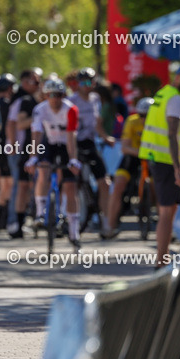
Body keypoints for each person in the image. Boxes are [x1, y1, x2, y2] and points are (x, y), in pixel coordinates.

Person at [139, 63, 180, 266]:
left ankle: (162, 257)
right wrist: (179, 168)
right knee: (167, 212)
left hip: (157, 158)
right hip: (167, 161)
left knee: (166, 210)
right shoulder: (175, 99)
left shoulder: (163, 93)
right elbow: (172, 134)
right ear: (179, 78)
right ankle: (162, 260)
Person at [24, 78, 83, 250]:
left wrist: (73, 159)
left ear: (63, 95)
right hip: (48, 143)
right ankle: (40, 214)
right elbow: (35, 134)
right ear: (45, 96)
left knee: (70, 187)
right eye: (50, 95)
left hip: (66, 145)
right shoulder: (39, 110)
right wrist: (32, 157)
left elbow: (71, 136)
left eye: (58, 95)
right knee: (43, 172)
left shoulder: (70, 109)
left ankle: (74, 232)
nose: (54, 99)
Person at [71, 67, 115, 235]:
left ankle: (105, 223)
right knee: (71, 183)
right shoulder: (71, 100)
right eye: (82, 82)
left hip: (89, 143)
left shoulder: (96, 99)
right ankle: (71, 219)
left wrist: (105, 137)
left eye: (89, 82)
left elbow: (97, 124)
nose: (86, 86)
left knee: (104, 183)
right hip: (74, 143)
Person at [102, 97, 154, 239]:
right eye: (142, 116)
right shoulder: (132, 121)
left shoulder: (159, 124)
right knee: (118, 185)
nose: (144, 119)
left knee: (161, 187)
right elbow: (125, 147)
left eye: (148, 116)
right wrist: (141, 153)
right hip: (133, 156)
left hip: (153, 157)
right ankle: (110, 226)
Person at [6, 68, 43, 238]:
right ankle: (14, 222)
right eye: (35, 82)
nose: (38, 85)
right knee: (19, 186)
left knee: (33, 186)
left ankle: (38, 219)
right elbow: (14, 124)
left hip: (34, 148)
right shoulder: (22, 100)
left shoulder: (35, 101)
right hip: (21, 148)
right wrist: (13, 145)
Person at [0, 75, 16, 232]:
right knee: (8, 182)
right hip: (5, 145)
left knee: (2, 182)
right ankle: (2, 219)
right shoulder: (8, 104)